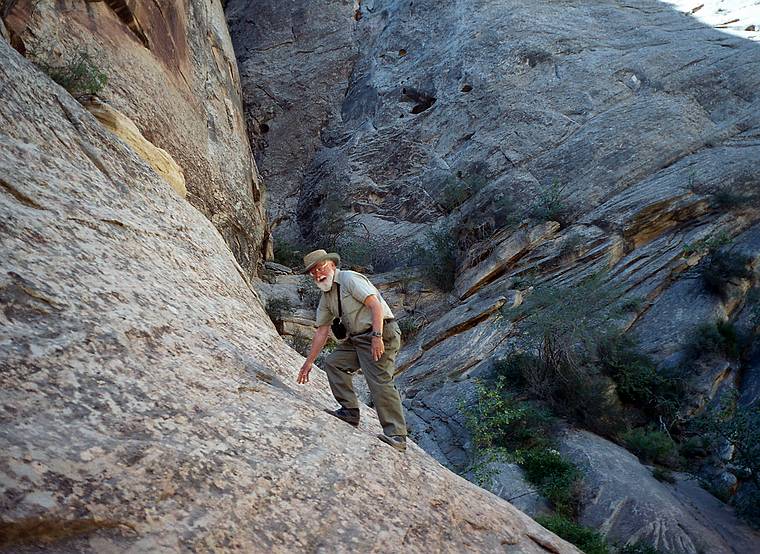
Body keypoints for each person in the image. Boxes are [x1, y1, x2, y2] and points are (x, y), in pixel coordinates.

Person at [296, 249, 408, 451]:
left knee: (379, 379)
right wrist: (309, 362)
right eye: (312, 272)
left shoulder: (349, 279)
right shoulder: (326, 296)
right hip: (358, 339)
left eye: (320, 268)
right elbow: (322, 331)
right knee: (334, 363)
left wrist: (377, 337)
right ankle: (350, 412)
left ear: (331, 264)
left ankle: (397, 436)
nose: (317, 274)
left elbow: (375, 306)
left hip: (381, 332)